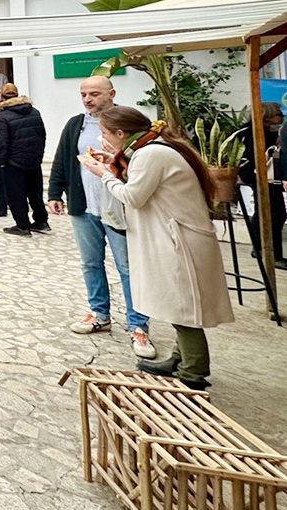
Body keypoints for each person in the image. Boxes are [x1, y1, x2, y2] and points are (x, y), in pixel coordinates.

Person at [81, 108, 235, 390]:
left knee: (184, 305)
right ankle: (180, 359)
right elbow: (140, 180)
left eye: (105, 133)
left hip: (178, 239)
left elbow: (133, 196)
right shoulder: (151, 148)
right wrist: (114, 163)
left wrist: (104, 174)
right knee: (179, 303)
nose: (102, 137)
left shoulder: (150, 153)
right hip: (173, 235)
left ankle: (192, 372)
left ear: (120, 133)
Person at [48, 77, 154, 357]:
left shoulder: (128, 123)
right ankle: (99, 314)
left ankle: (138, 325)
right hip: (84, 206)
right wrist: (55, 193)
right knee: (90, 263)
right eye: (84, 94)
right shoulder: (76, 124)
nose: (87, 99)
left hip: (119, 206)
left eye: (94, 94)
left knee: (128, 267)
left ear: (112, 94)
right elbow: (63, 158)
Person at [238, 102, 287, 268]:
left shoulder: (254, 131)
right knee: (273, 213)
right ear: (268, 117)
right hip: (260, 175)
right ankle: (270, 253)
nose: (281, 116)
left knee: (266, 211)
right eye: (278, 113)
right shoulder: (255, 133)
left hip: (258, 175)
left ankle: (260, 248)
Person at [0, 86, 49, 236]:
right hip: (34, 160)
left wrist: (1, 162)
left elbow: (2, 142)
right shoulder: (34, 111)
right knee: (35, 192)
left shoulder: (2, 116)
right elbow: (42, 135)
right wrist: (39, 155)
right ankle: (41, 221)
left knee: (16, 195)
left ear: (2, 97)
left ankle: (22, 226)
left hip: (14, 162)